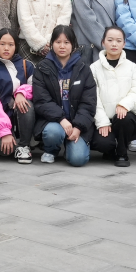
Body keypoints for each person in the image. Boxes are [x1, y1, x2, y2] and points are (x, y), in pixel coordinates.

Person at [32, 24, 96, 166]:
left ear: (73, 45)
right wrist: (61, 119)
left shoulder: (84, 69)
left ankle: (71, 147)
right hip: (54, 121)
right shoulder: (42, 68)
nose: (62, 46)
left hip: (76, 122)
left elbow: (88, 102)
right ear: (51, 44)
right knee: (53, 132)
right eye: (58, 42)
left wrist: (78, 127)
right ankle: (51, 150)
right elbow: (42, 100)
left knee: (78, 159)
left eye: (66, 42)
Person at [0, 29, 37, 164]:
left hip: (22, 115)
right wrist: (4, 131)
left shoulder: (27, 65)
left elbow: (37, 87)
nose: (6, 48)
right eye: (2, 44)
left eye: (11, 44)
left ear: (16, 46)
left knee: (26, 105)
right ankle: (2, 141)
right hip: (1, 117)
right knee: (5, 150)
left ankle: (24, 145)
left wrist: (22, 93)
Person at [88, 26, 136, 167]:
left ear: (124, 44)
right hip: (104, 117)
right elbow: (93, 98)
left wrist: (124, 105)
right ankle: (111, 149)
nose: (114, 44)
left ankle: (122, 153)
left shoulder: (132, 67)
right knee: (103, 143)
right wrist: (102, 122)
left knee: (123, 118)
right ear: (103, 42)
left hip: (127, 117)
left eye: (118, 41)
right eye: (110, 40)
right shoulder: (94, 68)